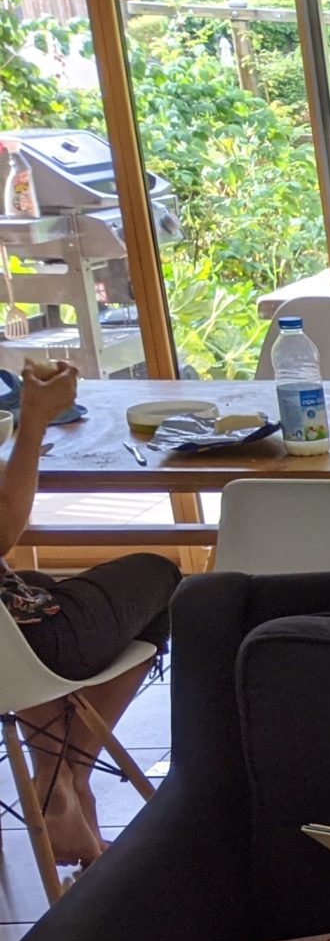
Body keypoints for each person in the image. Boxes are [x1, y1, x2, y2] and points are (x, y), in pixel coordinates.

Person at [0, 361, 179, 876]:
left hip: (13, 641)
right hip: (29, 646)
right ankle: (67, 777)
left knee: (35, 583)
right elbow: (4, 527)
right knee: (162, 577)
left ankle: (56, 782)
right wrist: (35, 417)